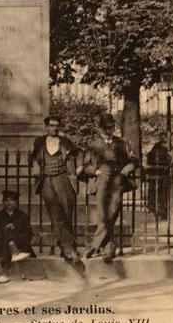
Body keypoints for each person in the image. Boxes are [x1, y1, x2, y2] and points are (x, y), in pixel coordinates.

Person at [31, 116, 85, 271]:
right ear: (46, 127)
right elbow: (33, 156)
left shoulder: (66, 142)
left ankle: (64, 247)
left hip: (63, 180)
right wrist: (35, 164)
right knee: (55, 215)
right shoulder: (39, 142)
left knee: (66, 213)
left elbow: (79, 154)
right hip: (47, 180)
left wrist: (79, 167)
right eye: (51, 126)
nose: (54, 128)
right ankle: (71, 251)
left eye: (57, 126)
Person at [83, 113, 138, 263]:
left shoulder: (122, 143)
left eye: (111, 127)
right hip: (101, 181)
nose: (109, 130)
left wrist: (127, 168)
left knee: (112, 212)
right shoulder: (93, 144)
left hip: (118, 181)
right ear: (100, 129)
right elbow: (85, 167)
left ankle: (94, 246)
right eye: (106, 128)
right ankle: (108, 247)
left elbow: (134, 160)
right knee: (103, 214)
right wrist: (96, 171)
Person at [0, 190, 35, 284]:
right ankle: (14, 251)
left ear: (16, 202)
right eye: (6, 200)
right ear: (3, 202)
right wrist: (5, 229)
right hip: (1, 245)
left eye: (12, 200)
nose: (9, 203)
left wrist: (15, 231)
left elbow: (29, 234)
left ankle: (5, 273)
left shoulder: (22, 216)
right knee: (6, 236)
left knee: (10, 233)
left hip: (20, 244)